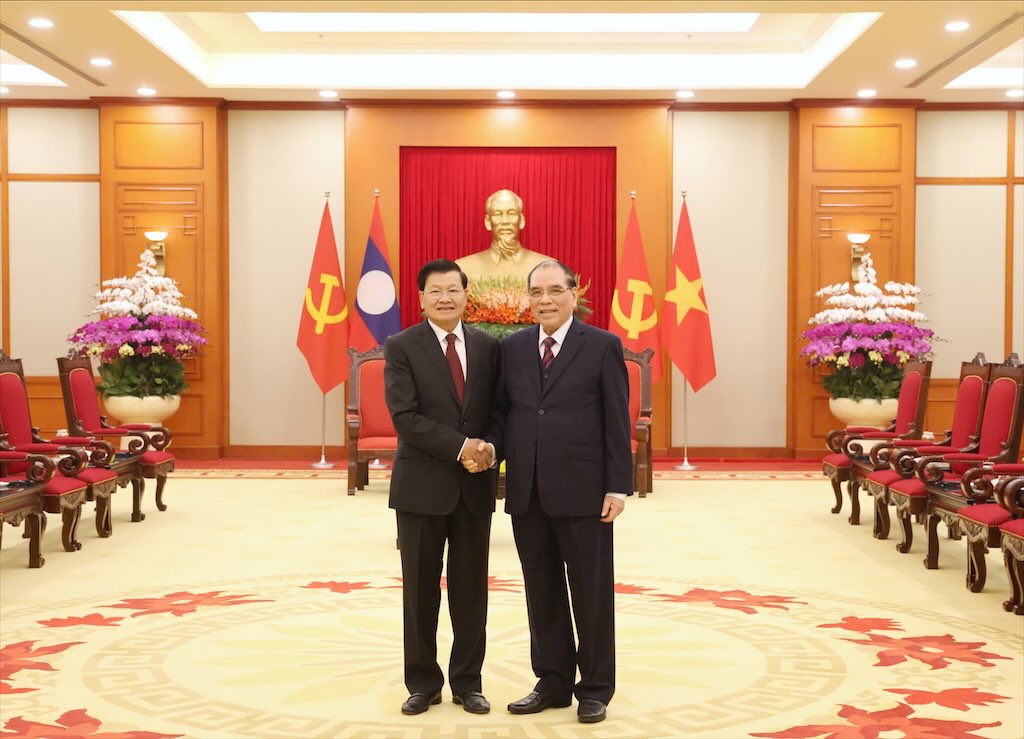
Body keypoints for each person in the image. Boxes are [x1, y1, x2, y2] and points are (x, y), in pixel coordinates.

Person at [482, 259, 632, 724]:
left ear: (573, 294)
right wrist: (487, 450)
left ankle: (595, 688)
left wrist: (618, 486)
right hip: (528, 489)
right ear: (528, 299)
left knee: (590, 591)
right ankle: (552, 680)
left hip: (586, 491)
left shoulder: (602, 345)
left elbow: (616, 419)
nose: (545, 300)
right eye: (537, 292)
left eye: (554, 291)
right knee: (540, 590)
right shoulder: (516, 347)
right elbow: (505, 413)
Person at [384, 259, 501, 716]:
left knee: (472, 589)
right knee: (420, 590)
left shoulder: (489, 347)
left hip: (474, 487)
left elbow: (499, 410)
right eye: (436, 291)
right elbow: (405, 418)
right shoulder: (401, 346)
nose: (445, 298)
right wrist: (462, 446)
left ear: (465, 295)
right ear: (421, 298)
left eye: (453, 289)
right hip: (421, 486)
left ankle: (468, 682)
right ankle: (422, 683)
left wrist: (488, 447)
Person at [455, 189, 552, 283]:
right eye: (497, 214)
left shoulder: (547, 267)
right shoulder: (463, 268)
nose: (505, 221)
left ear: (521, 221)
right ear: (488, 222)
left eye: (511, 213)